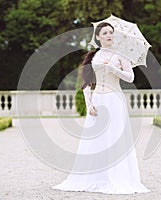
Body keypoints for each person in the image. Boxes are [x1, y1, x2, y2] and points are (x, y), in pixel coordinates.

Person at [52, 22, 151, 194]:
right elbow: (86, 84)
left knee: (114, 138)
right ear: (97, 37)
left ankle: (116, 178)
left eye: (111, 32)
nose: (108, 35)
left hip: (114, 100)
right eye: (104, 32)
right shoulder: (94, 56)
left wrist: (114, 68)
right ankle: (96, 177)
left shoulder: (122, 55)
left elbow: (130, 77)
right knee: (94, 140)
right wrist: (89, 104)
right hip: (97, 100)